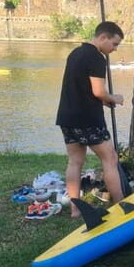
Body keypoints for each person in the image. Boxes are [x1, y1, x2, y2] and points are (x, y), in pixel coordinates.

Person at [55, 21, 125, 218]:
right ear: (103, 37)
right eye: (114, 43)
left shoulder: (75, 53)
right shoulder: (96, 58)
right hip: (88, 119)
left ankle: (75, 209)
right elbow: (98, 91)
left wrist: (103, 101)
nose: (114, 48)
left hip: (67, 116)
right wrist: (114, 98)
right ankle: (121, 204)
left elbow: (81, 89)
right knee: (110, 158)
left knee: (75, 161)